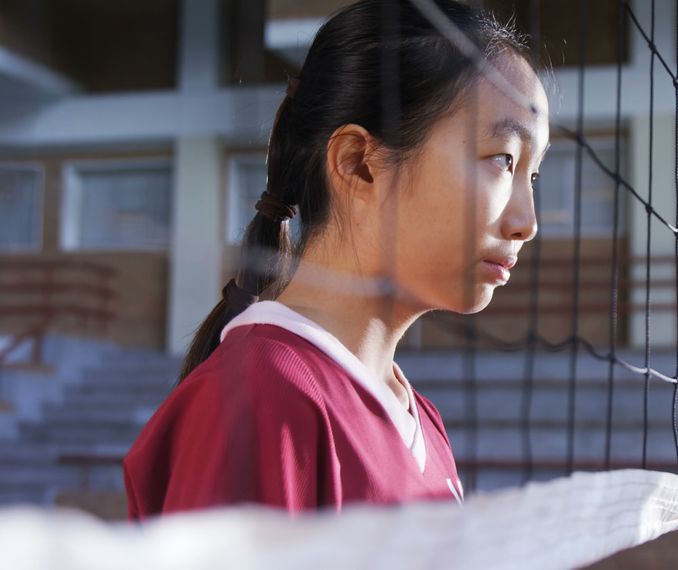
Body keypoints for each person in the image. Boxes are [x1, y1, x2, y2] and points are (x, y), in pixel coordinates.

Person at [123, 0, 548, 519]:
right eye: (504, 159)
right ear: (359, 164)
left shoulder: (420, 419)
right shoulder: (263, 397)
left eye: (534, 175)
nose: (527, 221)